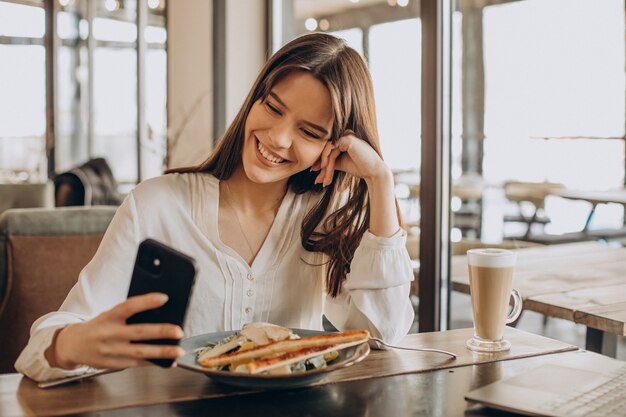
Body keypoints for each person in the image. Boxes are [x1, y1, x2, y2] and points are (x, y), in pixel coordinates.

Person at [16, 33, 415, 382]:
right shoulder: (156, 204)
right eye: (273, 108)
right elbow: (39, 353)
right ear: (253, 100)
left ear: (334, 145)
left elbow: (380, 333)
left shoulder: (323, 216)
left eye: (309, 132)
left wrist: (379, 180)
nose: (277, 138)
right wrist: (70, 346)